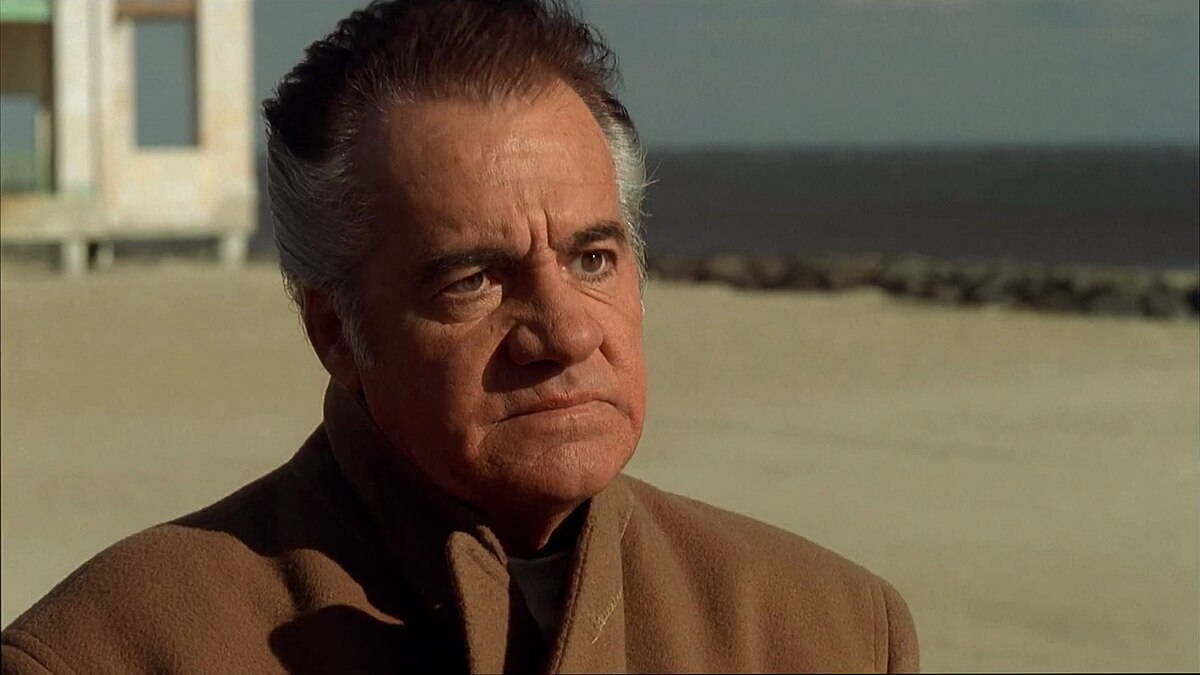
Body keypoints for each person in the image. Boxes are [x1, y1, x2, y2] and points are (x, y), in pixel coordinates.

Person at [1, 1, 918, 672]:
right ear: (336, 332)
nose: (566, 332)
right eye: (473, 279)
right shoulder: (112, 650)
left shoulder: (829, 630)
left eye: (594, 258)